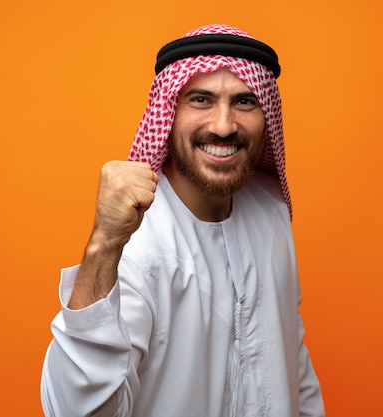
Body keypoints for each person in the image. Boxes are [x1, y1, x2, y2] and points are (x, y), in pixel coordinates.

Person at [41, 24, 325, 417]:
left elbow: (292, 360)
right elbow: (78, 410)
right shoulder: (138, 249)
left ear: (267, 115)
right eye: (201, 100)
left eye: (244, 102)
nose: (223, 125)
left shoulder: (271, 211)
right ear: (169, 112)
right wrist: (104, 244)